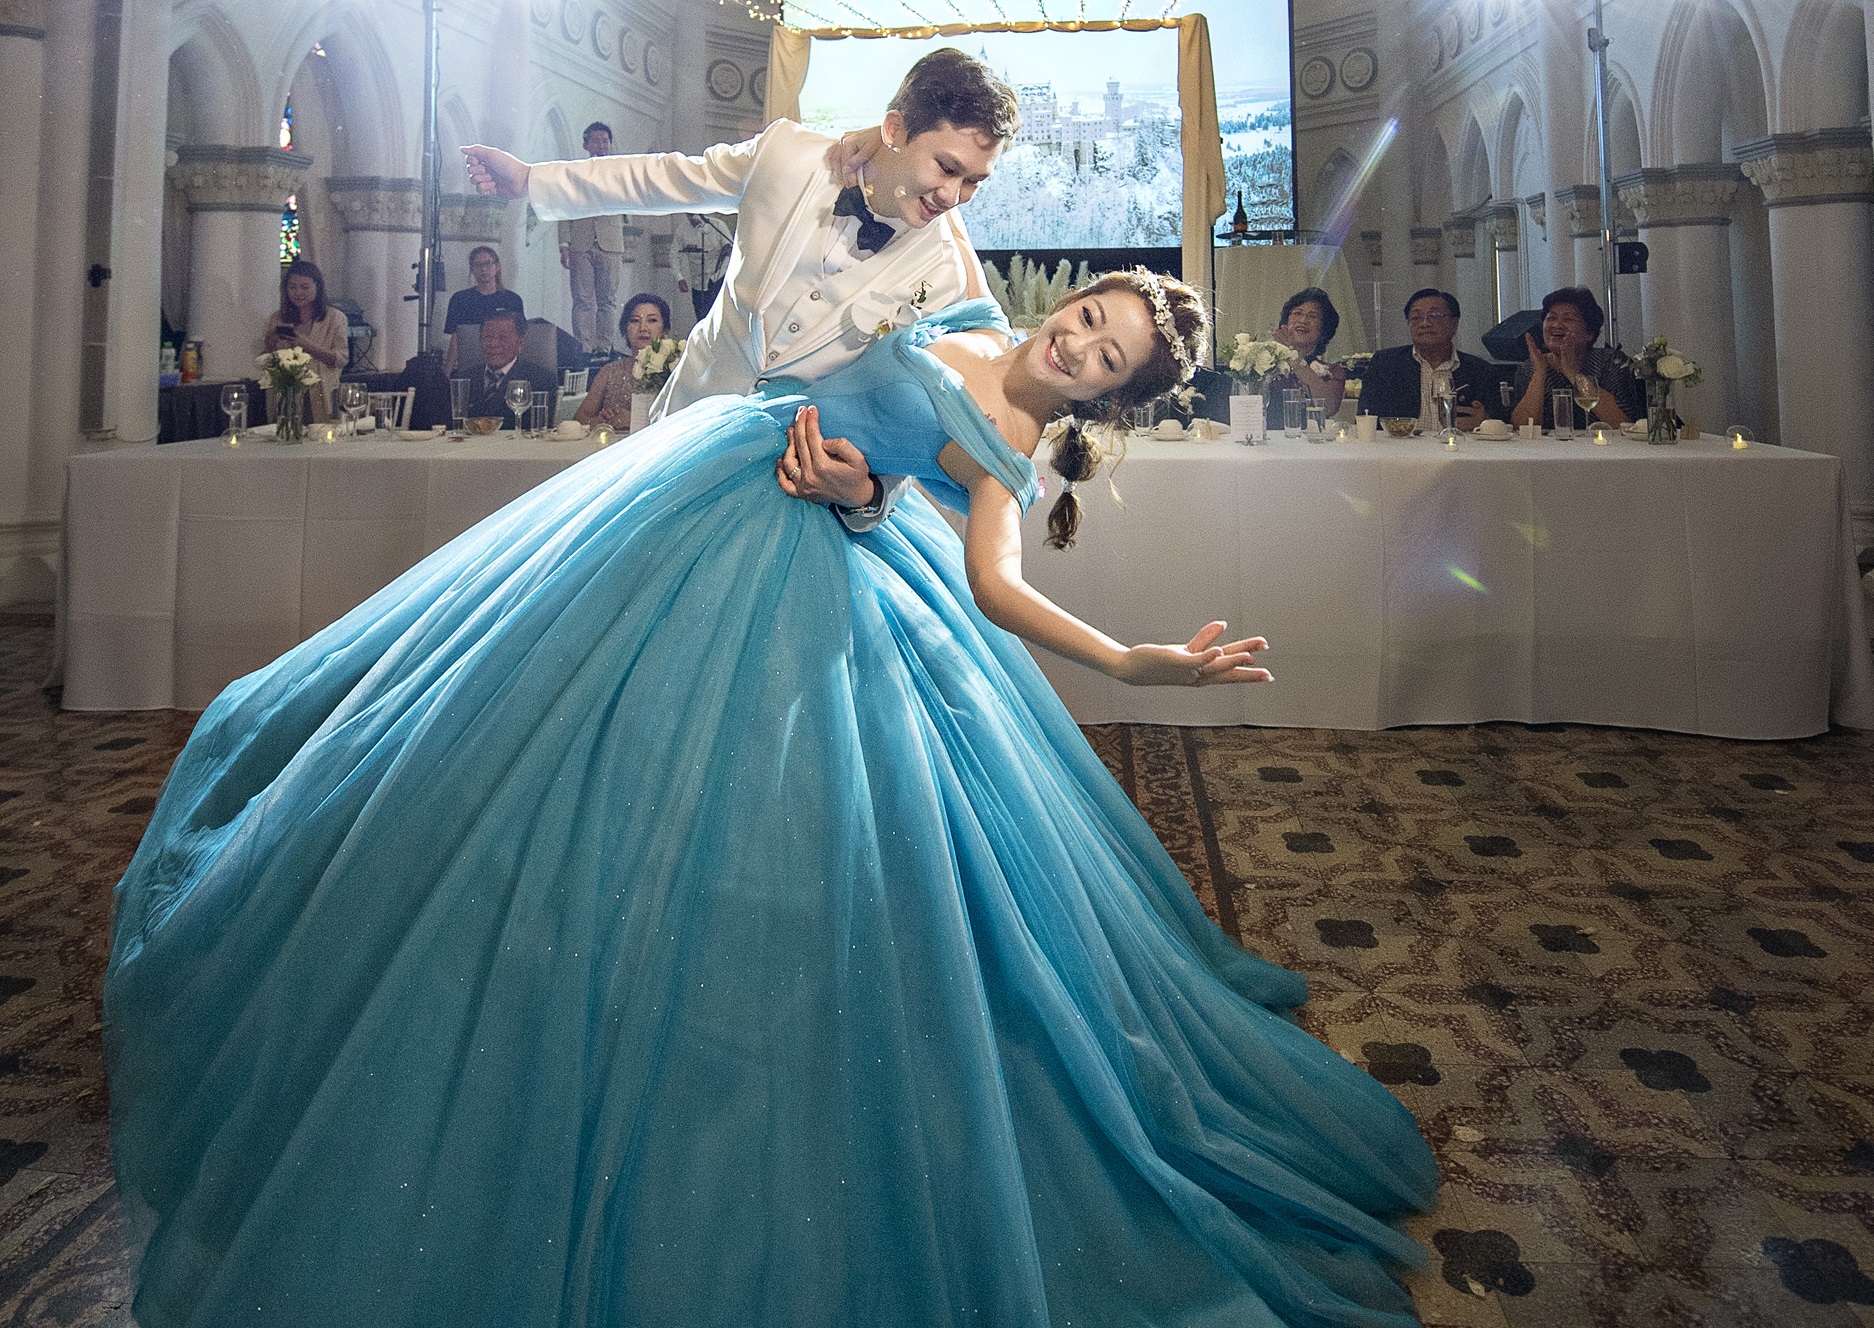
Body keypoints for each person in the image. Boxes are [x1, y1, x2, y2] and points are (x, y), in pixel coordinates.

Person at [105, 268, 1437, 1328]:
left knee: (749, 816)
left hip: (796, 573)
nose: (1077, 344)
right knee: (527, 719)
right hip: (691, 491)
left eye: (1103, 359)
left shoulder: (1012, 441)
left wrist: (1128, 658)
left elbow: (996, 585)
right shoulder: (971, 310)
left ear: (1107, 398)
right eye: (1089, 317)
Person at [463, 47, 1013, 534]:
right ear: (893, 130)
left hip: (791, 498)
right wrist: (532, 180)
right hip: (682, 441)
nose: (954, 196)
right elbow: (665, 178)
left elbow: (912, 415)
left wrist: (869, 496)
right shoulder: (789, 155)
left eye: (974, 181)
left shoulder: (946, 276)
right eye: (947, 168)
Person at [1355, 288, 1505, 430]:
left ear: (1454, 323)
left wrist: (1486, 423)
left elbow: (1502, 423)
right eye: (1416, 317)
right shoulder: (1385, 364)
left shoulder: (1481, 371)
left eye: (1434, 315)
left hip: (1461, 447)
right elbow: (1366, 418)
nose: (1425, 323)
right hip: (1402, 447)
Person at [1510, 285, 1641, 429]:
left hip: (1603, 442)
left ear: (1589, 333)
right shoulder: (1530, 367)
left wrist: (1573, 374)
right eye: (1551, 318)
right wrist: (1539, 374)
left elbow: (1622, 423)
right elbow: (1523, 428)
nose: (1557, 325)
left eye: (1568, 319)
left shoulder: (1611, 362)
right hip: (1551, 444)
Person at [558, 122, 630, 354]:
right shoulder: (574, 173)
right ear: (586, 144)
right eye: (596, 141)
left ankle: (604, 347)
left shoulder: (619, 173)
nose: (600, 145)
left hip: (611, 241)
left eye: (604, 141)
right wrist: (564, 244)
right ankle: (584, 347)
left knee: (607, 300)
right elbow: (565, 209)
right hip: (581, 241)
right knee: (582, 299)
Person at [260, 259, 347, 422]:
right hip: (285, 391)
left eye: (305, 287)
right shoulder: (277, 318)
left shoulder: (334, 318)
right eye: (292, 287)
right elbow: (268, 361)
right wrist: (269, 344)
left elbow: (341, 359)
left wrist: (307, 345)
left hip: (320, 390)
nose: (298, 293)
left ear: (317, 287)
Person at [574, 292, 670, 431]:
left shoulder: (674, 370)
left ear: (665, 329)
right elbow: (579, 419)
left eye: (652, 320)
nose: (643, 328)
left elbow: (683, 420)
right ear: (625, 329)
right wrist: (601, 421)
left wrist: (633, 420)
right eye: (635, 320)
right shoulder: (610, 371)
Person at [454, 309, 558, 420]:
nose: (493, 344)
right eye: (488, 337)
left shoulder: (542, 380)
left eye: (502, 338)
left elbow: (540, 426)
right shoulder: (462, 379)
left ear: (521, 343)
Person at [441, 245, 526, 376]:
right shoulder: (460, 299)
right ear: (472, 269)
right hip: (469, 363)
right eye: (478, 265)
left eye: (488, 263)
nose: (483, 269)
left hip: (505, 364)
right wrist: (446, 374)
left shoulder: (512, 300)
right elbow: (456, 339)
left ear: (497, 266)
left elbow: (519, 335)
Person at [1264, 286, 1347, 409]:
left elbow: (1329, 408)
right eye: (1297, 313)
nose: (1303, 320)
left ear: (1324, 329)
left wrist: (1295, 359)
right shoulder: (1264, 365)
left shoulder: (1332, 372)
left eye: (1312, 316)